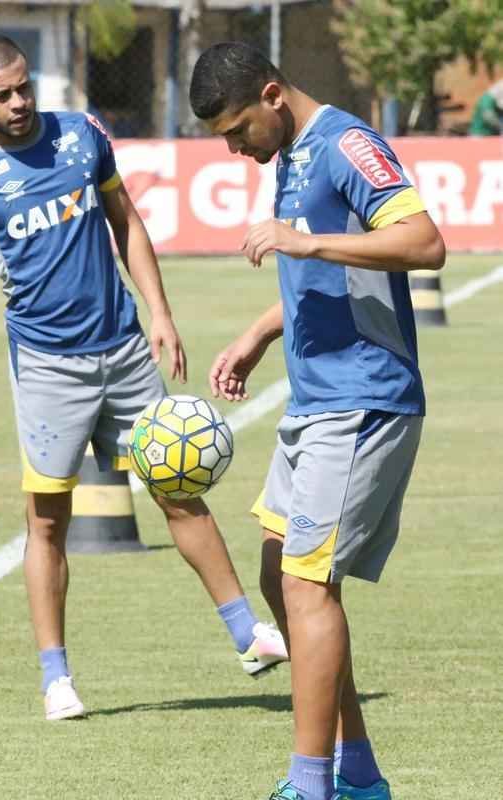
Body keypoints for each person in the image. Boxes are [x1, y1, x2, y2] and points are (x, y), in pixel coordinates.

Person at [0, 34, 287, 722]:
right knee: (47, 521)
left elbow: (126, 223)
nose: (19, 101)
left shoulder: (82, 135)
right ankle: (55, 678)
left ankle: (249, 635)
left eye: (25, 86)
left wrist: (158, 311)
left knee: (178, 490)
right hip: (46, 368)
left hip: (124, 349)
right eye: (1, 93)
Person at [189, 43, 445, 800]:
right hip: (315, 402)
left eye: (239, 130)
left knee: (305, 586)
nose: (236, 149)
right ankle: (359, 773)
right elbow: (324, 271)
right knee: (280, 574)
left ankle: (313, 786)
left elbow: (425, 243)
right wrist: (261, 332)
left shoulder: (346, 145)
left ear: (273, 95)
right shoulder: (291, 157)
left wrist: (305, 240)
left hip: (365, 399)